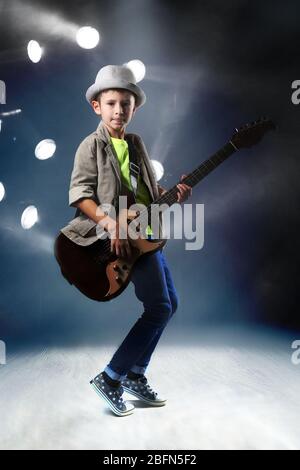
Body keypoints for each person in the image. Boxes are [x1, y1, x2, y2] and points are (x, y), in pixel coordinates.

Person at [60, 65, 192, 417]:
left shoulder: (135, 144)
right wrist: (111, 224)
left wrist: (170, 194)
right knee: (159, 308)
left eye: (126, 104)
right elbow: (80, 196)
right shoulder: (91, 146)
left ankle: (135, 375)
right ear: (97, 107)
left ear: (135, 108)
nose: (119, 110)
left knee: (170, 304)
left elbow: (143, 194)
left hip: (145, 236)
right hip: (117, 239)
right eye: (112, 103)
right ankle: (111, 376)